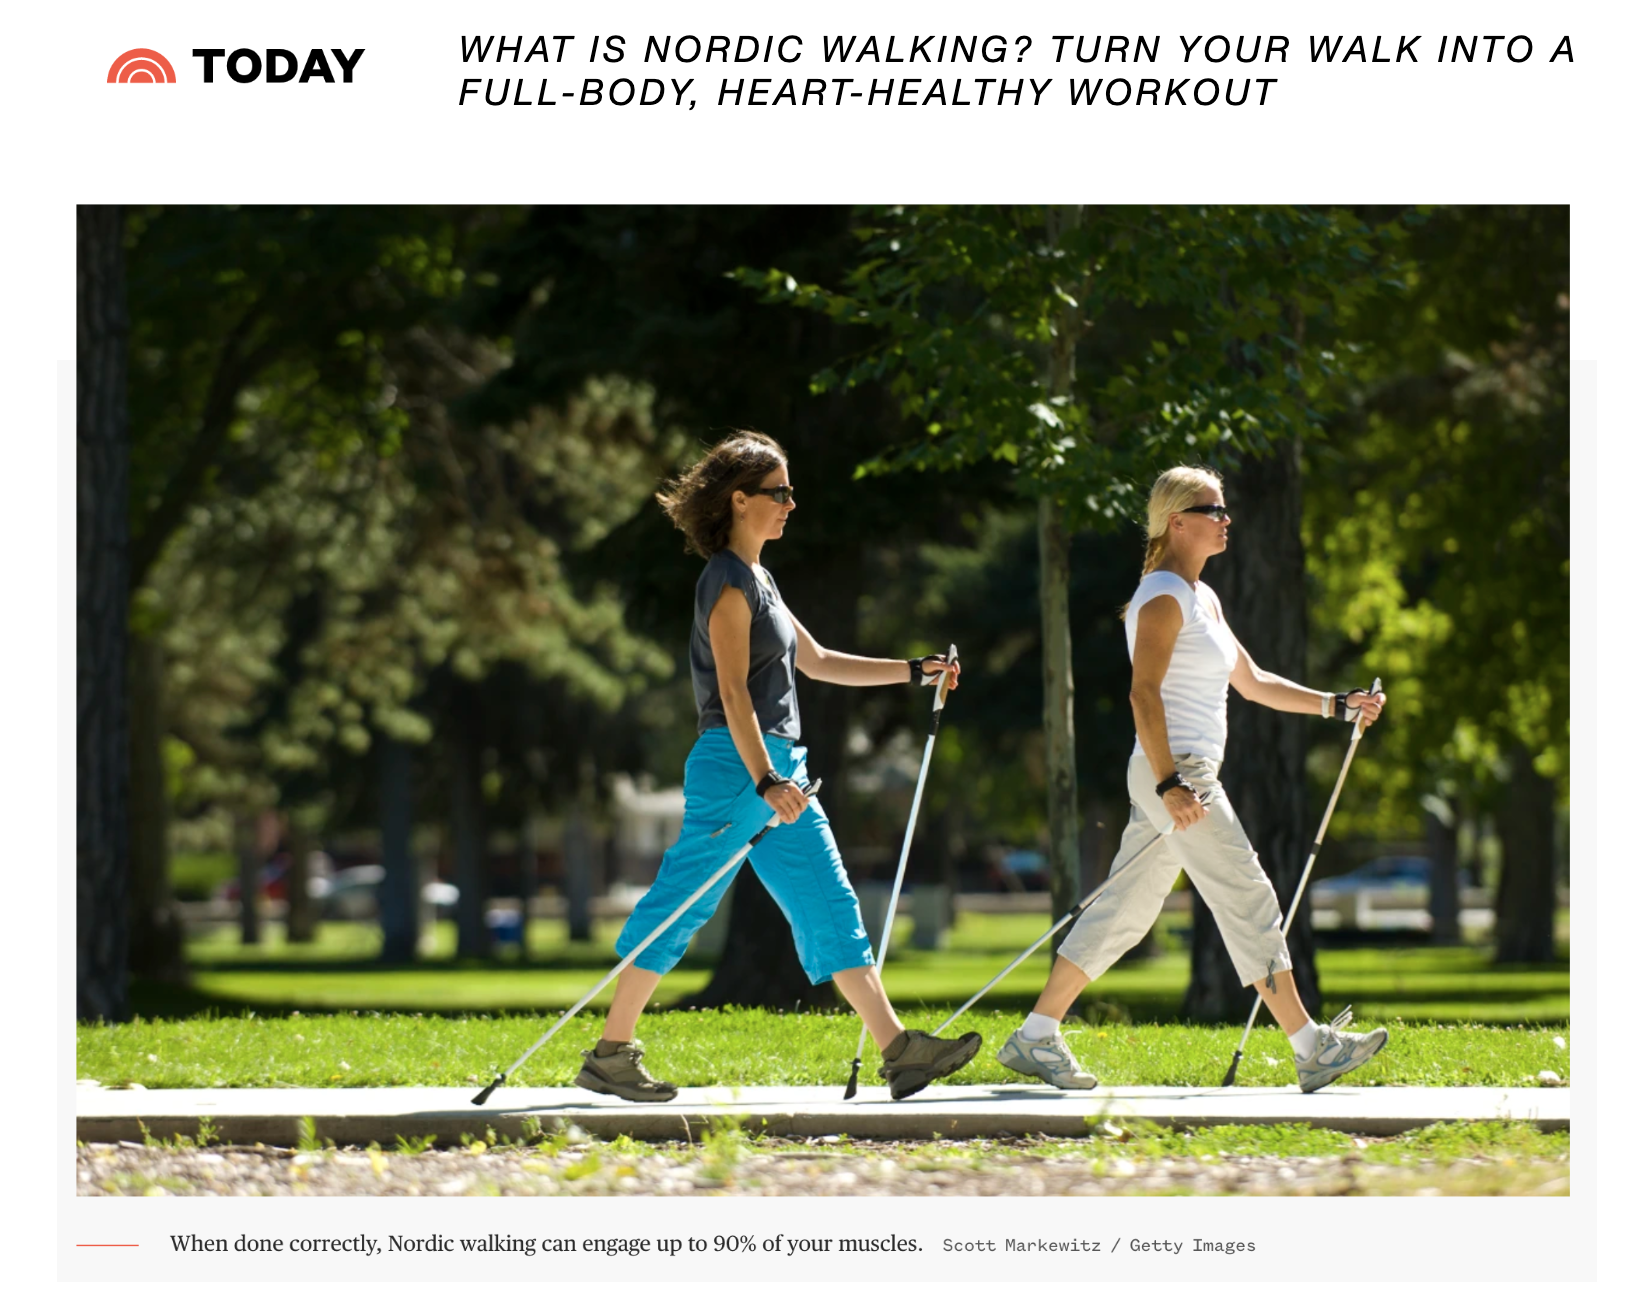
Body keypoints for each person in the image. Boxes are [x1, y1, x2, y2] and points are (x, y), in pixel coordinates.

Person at [579, 430, 982, 1103]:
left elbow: (817, 659)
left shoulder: (762, 577)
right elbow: (733, 692)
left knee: (829, 903)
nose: (792, 504)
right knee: (683, 904)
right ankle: (610, 1053)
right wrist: (765, 779)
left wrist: (915, 672)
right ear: (740, 501)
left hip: (781, 771)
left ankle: (899, 1051)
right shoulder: (727, 582)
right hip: (741, 768)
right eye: (780, 492)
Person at [996, 466, 1391, 1095]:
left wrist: (1335, 705)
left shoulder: (1201, 597)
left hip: (1173, 773)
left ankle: (1036, 1035)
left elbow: (1253, 681)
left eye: (1225, 509)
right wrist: (1168, 783)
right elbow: (1141, 694)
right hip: (1177, 773)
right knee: (1247, 891)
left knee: (1125, 912)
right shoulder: (1161, 596)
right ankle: (1310, 1046)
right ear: (1178, 521)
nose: (1226, 519)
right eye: (1214, 509)